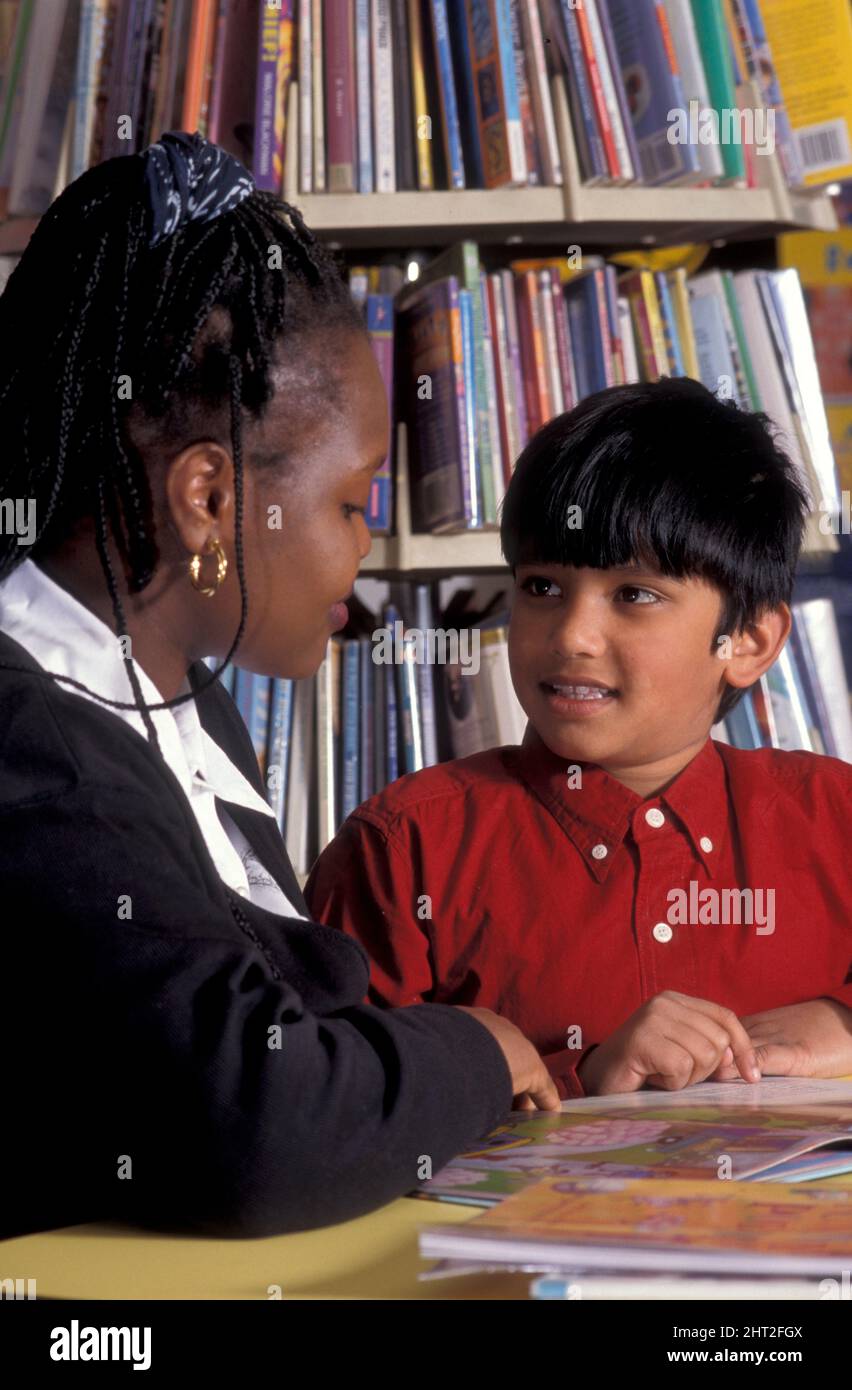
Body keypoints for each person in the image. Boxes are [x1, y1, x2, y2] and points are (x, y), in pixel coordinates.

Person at [0, 132, 560, 1242]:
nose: (364, 544)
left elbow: (280, 1021)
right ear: (210, 499)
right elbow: (256, 1120)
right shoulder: (36, 749)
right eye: (353, 502)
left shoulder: (178, 705)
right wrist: (473, 1047)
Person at [306, 379, 852, 1099]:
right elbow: (324, 1102)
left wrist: (841, 1026)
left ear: (748, 641)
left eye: (635, 595)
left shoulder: (835, 817)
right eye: (541, 587)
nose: (571, 636)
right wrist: (580, 1075)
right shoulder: (405, 846)